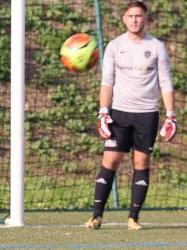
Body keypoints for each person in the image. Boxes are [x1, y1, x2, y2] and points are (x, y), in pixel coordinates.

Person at [85, 0, 176, 230]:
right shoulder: (115, 46)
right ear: (124, 19)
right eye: (130, 16)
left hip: (147, 115)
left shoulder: (157, 47)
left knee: (141, 162)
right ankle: (97, 216)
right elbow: (107, 82)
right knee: (110, 160)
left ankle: (133, 218)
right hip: (120, 114)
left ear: (145, 18)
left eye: (139, 15)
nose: (135, 20)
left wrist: (171, 115)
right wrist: (103, 112)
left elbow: (165, 82)